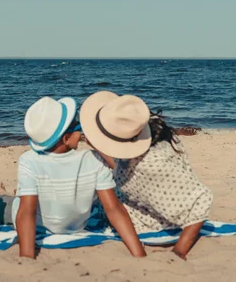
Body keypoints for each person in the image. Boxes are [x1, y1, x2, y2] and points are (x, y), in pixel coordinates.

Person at [0, 96, 146, 259]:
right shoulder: (94, 160)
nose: (82, 132)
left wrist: (27, 257)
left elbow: (27, 211)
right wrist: (139, 253)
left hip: (39, 223)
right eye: (79, 127)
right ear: (65, 138)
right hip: (75, 226)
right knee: (3, 200)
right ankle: (1, 195)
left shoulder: (29, 160)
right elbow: (114, 208)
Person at [79, 91, 214, 260]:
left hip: (152, 224)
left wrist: (179, 251)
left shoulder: (152, 164)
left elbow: (201, 198)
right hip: (153, 206)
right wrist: (99, 147)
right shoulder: (159, 137)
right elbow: (127, 171)